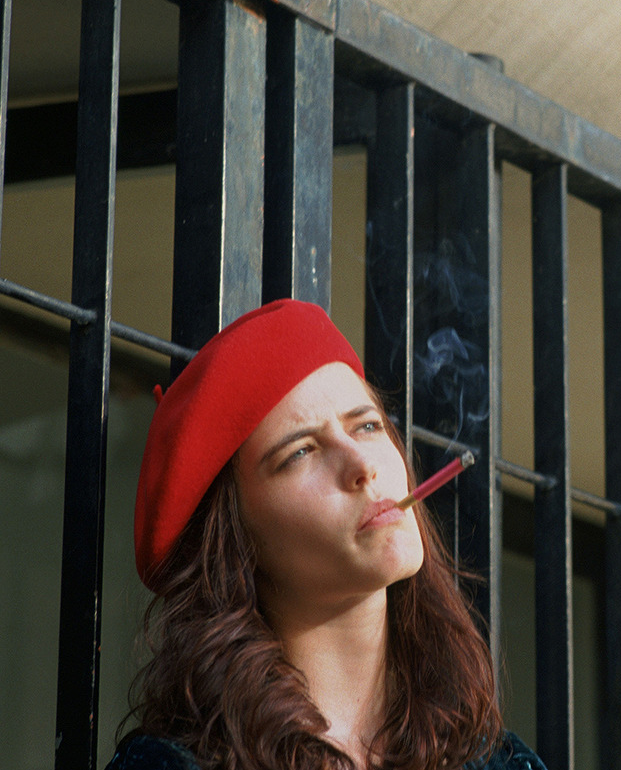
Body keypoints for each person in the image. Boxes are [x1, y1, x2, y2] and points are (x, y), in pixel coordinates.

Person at [105, 299, 545, 770]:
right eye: (300, 452)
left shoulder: (498, 762)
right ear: (235, 540)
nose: (362, 465)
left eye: (369, 425)